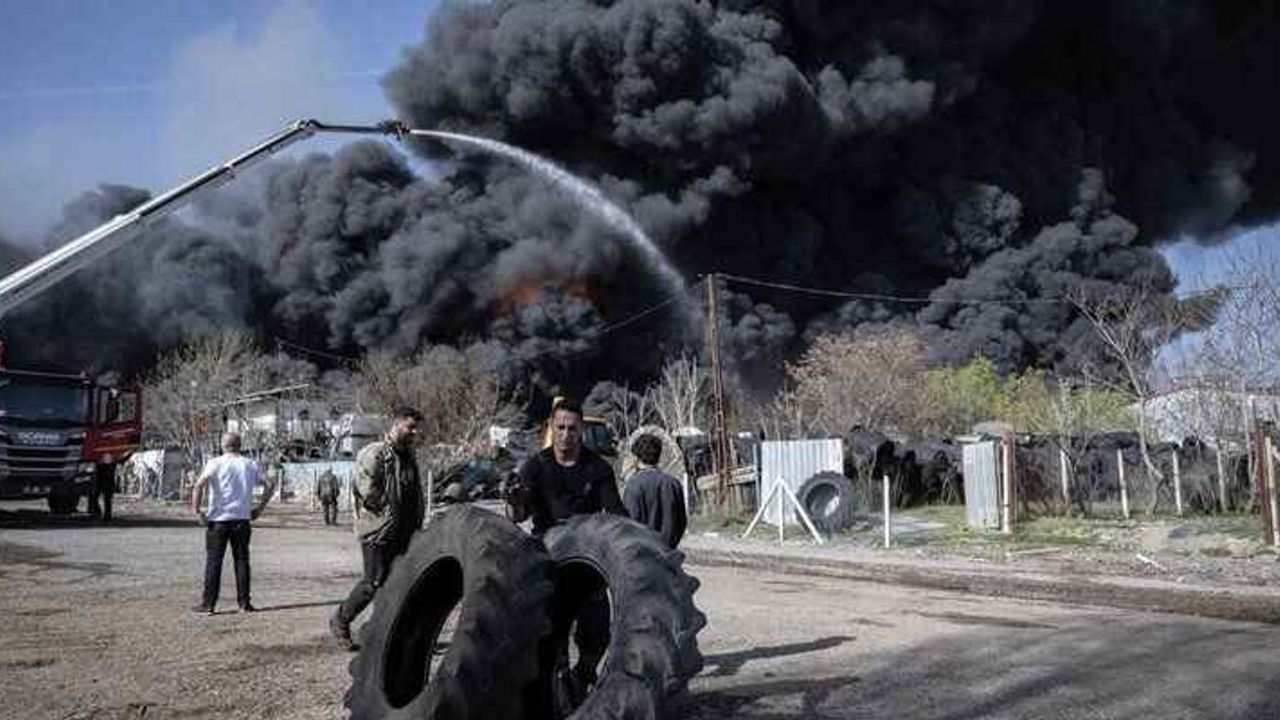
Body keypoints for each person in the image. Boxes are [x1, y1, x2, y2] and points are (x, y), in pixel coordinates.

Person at [507, 398, 626, 694]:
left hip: (587, 563)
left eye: (572, 428)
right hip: (548, 562)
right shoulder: (536, 466)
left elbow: (616, 513)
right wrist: (514, 501)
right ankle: (555, 688)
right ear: (551, 427)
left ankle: (582, 676)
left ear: (581, 429)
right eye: (560, 427)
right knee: (550, 639)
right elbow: (518, 515)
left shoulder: (598, 468)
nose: (565, 434)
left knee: (597, 636)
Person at [329, 407, 425, 651]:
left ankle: (378, 633)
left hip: (405, 532)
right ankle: (340, 620)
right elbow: (366, 489)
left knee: (397, 584)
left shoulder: (409, 456)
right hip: (378, 531)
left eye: (416, 428)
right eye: (410, 427)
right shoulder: (375, 453)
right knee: (373, 581)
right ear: (396, 424)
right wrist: (386, 509)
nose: (414, 432)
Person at [190, 432, 274, 615]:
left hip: (218, 520)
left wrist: (197, 511)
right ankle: (244, 603)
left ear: (223, 445)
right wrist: (260, 507)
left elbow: (198, 486)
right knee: (242, 561)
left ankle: (208, 604)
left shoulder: (215, 463)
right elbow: (269, 483)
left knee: (214, 562)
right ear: (239, 445)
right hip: (242, 519)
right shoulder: (250, 464)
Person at [622, 433, 688, 549]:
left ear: (636, 458)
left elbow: (629, 525)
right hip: (668, 552)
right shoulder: (673, 484)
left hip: (643, 553)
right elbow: (682, 522)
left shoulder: (633, 486)